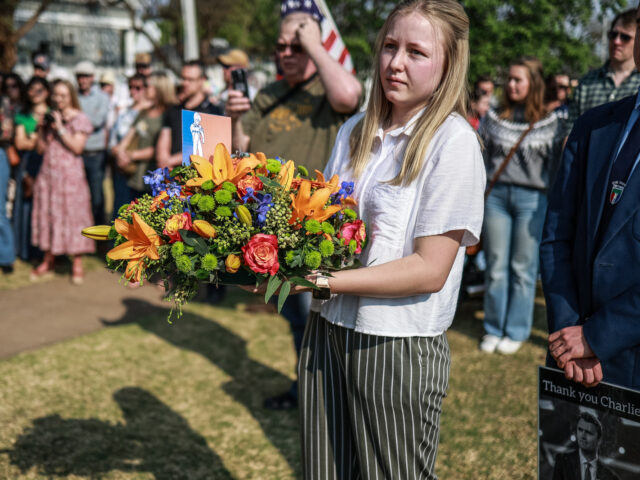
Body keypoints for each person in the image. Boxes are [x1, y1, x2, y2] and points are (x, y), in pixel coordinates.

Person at [279, 0, 482, 476]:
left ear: (449, 64)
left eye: (416, 52)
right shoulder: (353, 131)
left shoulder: (453, 143)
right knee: (326, 470)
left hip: (394, 344)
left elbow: (430, 270)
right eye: (390, 46)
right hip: (326, 330)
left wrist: (323, 281)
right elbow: (322, 229)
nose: (395, 63)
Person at [226, 6, 362, 410]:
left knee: (315, 317)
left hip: (310, 225)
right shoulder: (268, 91)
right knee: (296, 318)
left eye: (296, 45)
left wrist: (314, 47)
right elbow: (241, 147)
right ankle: (309, 388)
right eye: (281, 45)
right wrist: (235, 116)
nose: (287, 52)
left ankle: (322, 393)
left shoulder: (327, 87)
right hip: (269, 225)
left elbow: (350, 96)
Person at [541, 4, 640, 391]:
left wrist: (598, 336)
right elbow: (556, 234)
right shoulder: (592, 125)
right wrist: (569, 328)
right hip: (572, 358)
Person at [479, 57, 561, 355]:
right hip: (496, 196)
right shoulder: (492, 117)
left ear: (533, 84)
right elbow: (482, 160)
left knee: (523, 268)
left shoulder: (551, 122)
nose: (511, 85)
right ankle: (493, 327)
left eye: (518, 80)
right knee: (496, 265)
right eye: (509, 79)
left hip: (533, 199)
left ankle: (516, 329)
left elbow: (554, 169)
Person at [30, 79, 95, 284]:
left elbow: (77, 148)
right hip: (49, 175)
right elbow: (40, 149)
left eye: (63, 95)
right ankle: (49, 260)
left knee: (73, 216)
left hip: (70, 177)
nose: (58, 99)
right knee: (49, 214)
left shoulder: (80, 118)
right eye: (55, 95)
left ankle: (77, 262)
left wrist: (59, 128)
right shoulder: (51, 116)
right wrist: (42, 128)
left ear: (71, 96)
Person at [565, 9, 640, 137]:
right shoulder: (586, 82)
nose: (617, 41)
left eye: (625, 37)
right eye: (613, 35)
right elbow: (569, 134)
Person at [112, 71, 176, 200]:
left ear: (160, 88)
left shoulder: (169, 115)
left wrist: (131, 155)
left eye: (148, 86)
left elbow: (160, 149)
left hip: (154, 179)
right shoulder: (144, 112)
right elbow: (129, 136)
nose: (145, 89)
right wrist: (121, 152)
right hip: (136, 176)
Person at [156, 60, 222, 170]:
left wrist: (171, 161)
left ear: (202, 80)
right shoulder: (173, 110)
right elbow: (164, 137)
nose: (185, 83)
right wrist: (163, 161)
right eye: (183, 78)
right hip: (172, 178)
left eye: (190, 79)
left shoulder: (213, 111)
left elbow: (207, 147)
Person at [13, 76, 50, 261]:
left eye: (39, 89)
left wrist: (33, 139)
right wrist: (38, 139)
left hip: (49, 164)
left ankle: (46, 251)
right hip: (28, 163)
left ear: (47, 92)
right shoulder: (22, 113)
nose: (35, 93)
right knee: (27, 206)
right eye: (31, 89)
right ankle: (27, 250)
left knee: (46, 207)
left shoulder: (52, 113)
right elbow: (20, 142)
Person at [75, 61, 110, 225]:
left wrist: (77, 118)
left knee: (97, 197)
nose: (83, 80)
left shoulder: (103, 97)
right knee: (78, 196)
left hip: (96, 154)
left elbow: (97, 121)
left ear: (92, 78)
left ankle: (99, 233)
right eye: (80, 76)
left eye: (86, 76)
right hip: (76, 153)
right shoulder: (73, 96)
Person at [552, 412, 620, 480]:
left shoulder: (611, 477)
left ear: (599, 440)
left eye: (589, 432)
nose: (583, 436)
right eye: (580, 430)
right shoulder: (563, 461)